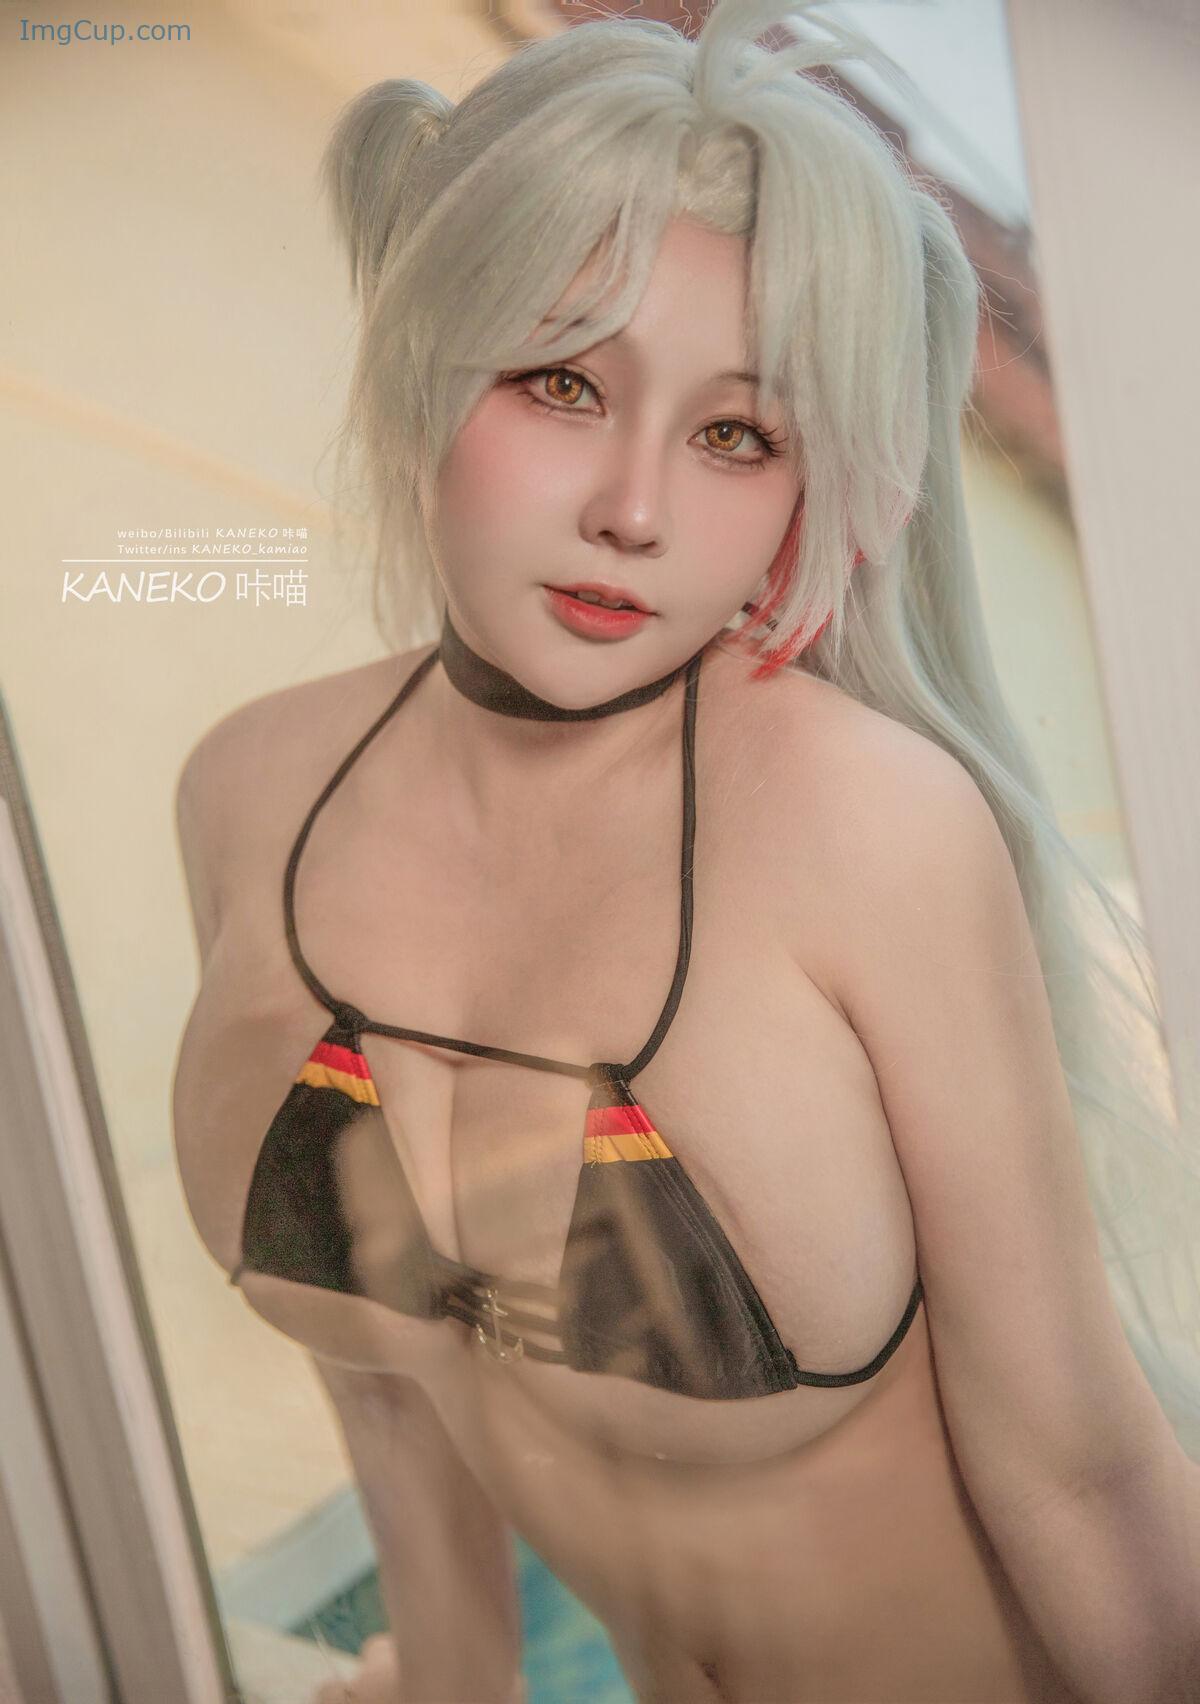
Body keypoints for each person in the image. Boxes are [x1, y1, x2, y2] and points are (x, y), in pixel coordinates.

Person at [172, 3, 1200, 1700]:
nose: (633, 511)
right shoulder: (250, 788)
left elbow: (1080, 1474)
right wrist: (455, 1679)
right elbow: (394, 1379)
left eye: (738, 434)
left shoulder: (865, 827)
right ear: (428, 366)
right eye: (564, 383)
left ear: (811, 493)